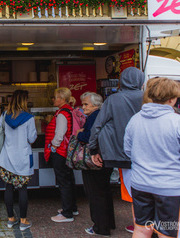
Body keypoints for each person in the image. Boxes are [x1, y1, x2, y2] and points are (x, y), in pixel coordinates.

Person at [88, 66, 145, 234]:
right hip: (145, 154)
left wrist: (93, 150)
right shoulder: (147, 98)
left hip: (120, 154)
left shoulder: (113, 99)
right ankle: (147, 227)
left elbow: (97, 126)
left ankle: (141, 228)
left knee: (132, 192)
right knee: (145, 194)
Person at [124, 77, 180, 238]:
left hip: (140, 185)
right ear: (171, 98)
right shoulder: (176, 122)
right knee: (166, 232)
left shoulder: (135, 120)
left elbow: (128, 151)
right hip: (169, 189)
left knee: (142, 229)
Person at [0, 90, 37, 231]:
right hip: (22, 159)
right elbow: (32, 138)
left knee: (8, 187)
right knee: (23, 189)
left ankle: (11, 219)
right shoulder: (29, 118)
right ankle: (23, 221)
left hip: (6, 159)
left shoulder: (5, 115)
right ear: (24, 101)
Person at [74, 92, 114, 236]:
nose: (82, 107)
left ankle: (100, 227)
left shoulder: (93, 117)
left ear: (96, 105)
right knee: (105, 191)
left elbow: (90, 136)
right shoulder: (105, 115)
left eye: (85, 104)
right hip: (107, 157)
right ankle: (109, 223)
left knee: (95, 194)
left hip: (94, 159)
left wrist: (79, 133)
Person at [44, 87, 78, 223]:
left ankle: (67, 213)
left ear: (62, 99)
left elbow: (60, 133)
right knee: (69, 179)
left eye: (56, 97)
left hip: (60, 151)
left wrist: (53, 146)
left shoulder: (62, 114)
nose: (54, 99)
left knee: (63, 181)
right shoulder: (69, 110)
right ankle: (72, 207)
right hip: (67, 150)